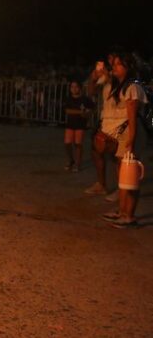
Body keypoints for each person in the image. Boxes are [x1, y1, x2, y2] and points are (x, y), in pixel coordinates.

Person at [86, 54, 147, 228]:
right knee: (123, 175)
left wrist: (132, 140)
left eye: (119, 64)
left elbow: (132, 116)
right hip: (120, 132)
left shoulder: (132, 87)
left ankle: (129, 216)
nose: (114, 67)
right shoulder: (115, 84)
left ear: (128, 68)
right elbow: (91, 91)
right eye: (114, 64)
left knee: (130, 176)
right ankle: (122, 211)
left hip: (129, 132)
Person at [63, 80, 94, 171]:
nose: (74, 89)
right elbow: (67, 110)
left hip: (80, 124)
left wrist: (87, 113)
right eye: (72, 87)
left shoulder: (85, 99)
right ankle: (71, 160)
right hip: (70, 123)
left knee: (78, 144)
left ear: (80, 88)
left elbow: (91, 109)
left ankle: (77, 163)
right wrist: (80, 112)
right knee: (67, 143)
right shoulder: (68, 99)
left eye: (76, 87)